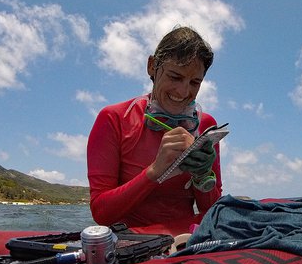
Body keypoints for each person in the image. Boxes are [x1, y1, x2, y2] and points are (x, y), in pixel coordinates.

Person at [87, 26, 222, 237]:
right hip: (132, 240)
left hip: (185, 238)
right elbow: (101, 213)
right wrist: (155, 171)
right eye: (175, 77)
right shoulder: (114, 118)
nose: (183, 91)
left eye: (195, 82)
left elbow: (211, 208)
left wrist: (203, 175)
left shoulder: (205, 126)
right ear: (152, 66)